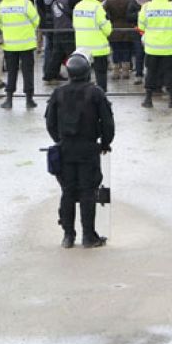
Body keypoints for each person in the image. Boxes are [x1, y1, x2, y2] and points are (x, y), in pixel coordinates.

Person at [45, 51, 115, 249]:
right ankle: (88, 236)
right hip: (88, 148)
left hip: (66, 149)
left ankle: (68, 236)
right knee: (87, 192)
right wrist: (105, 143)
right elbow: (108, 123)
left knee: (67, 192)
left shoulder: (58, 93)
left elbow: (50, 122)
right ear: (87, 71)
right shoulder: (96, 93)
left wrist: (59, 140)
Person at [138, 0, 172, 108]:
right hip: (169, 47)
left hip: (152, 47)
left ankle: (148, 99)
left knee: (151, 72)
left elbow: (141, 26)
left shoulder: (146, 7)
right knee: (170, 73)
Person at [0, 0, 40, 110]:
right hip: (26, 44)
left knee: (11, 72)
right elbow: (36, 21)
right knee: (28, 72)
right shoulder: (26, 4)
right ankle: (29, 100)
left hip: (9, 45)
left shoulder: (1, 5)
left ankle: (9, 100)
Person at [72, 0, 112, 91]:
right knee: (101, 75)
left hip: (82, 48)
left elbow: (75, 25)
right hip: (98, 48)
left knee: (85, 76)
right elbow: (107, 30)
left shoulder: (77, 6)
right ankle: (101, 97)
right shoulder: (97, 8)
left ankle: (85, 98)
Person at [104, 0, 137, 82]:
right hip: (127, 29)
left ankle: (116, 72)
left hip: (113, 29)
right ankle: (126, 71)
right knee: (126, 51)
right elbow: (132, 16)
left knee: (115, 51)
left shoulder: (109, 0)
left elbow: (104, 13)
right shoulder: (130, 0)